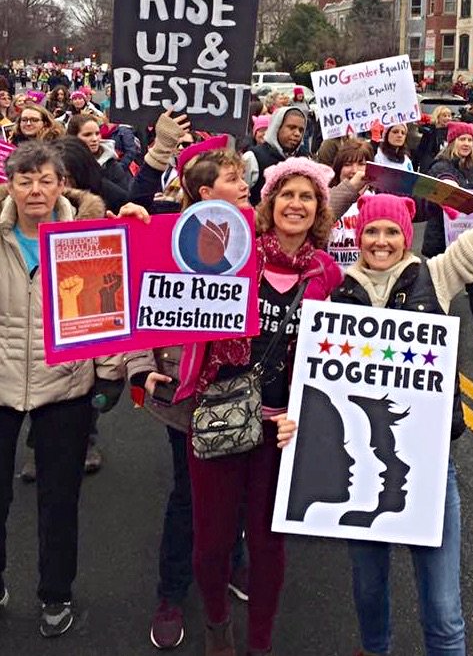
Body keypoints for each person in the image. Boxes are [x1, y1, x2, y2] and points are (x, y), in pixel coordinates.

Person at [313, 88, 473, 656]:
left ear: (405, 234)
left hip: (431, 465)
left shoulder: (436, 276)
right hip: (356, 463)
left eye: (391, 232)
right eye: (370, 233)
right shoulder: (336, 288)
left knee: (443, 612)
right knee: (368, 594)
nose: (381, 241)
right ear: (357, 238)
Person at [171, 157, 342, 656]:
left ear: (319, 211)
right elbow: (167, 268)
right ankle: (217, 628)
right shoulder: (235, 255)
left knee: (268, 548)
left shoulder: (327, 275)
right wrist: (140, 226)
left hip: (283, 430)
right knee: (211, 544)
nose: (295, 204)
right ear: (269, 203)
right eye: (286, 195)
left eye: (307, 197)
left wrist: (311, 415)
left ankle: (260, 644)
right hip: (218, 416)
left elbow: (337, 363)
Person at [125, 119, 252, 651]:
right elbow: (132, 306)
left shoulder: (256, 236)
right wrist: (136, 369)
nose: (245, 180)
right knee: (188, 496)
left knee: (239, 487)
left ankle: (228, 561)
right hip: (180, 395)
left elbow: (315, 219)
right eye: (232, 175)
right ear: (204, 192)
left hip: (241, 394)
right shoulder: (162, 234)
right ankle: (172, 593)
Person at [0, 141, 124, 637]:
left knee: (59, 501)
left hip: (67, 386)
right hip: (2, 384)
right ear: (10, 184)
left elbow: (107, 310)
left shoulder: (86, 237)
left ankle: (56, 593)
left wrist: (111, 373)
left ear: (61, 185)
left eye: (45, 180)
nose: (35, 190)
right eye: (25, 180)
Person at [422, 121, 473, 354]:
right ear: (452, 142)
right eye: (462, 139)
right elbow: (446, 180)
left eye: (469, 139)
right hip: (441, 241)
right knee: (438, 290)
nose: (466, 143)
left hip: (466, 239)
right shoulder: (440, 166)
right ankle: (433, 338)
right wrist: (450, 189)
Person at [243, 105, 309, 205]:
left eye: (301, 130)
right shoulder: (253, 158)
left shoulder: (305, 159)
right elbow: (241, 198)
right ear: (277, 127)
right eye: (291, 128)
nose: (297, 134)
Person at [328, 139, 374, 269]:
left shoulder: (375, 201)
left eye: (361, 164)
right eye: (348, 164)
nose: (355, 171)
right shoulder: (326, 197)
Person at [66, 114, 131, 190]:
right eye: (87, 135)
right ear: (73, 137)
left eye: (97, 134)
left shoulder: (111, 165)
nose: (94, 139)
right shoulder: (60, 164)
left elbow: (124, 198)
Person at [415, 105, 452, 173]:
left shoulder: (451, 132)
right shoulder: (429, 132)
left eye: (449, 116)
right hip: (429, 167)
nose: (448, 118)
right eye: (444, 116)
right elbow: (420, 150)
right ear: (437, 117)